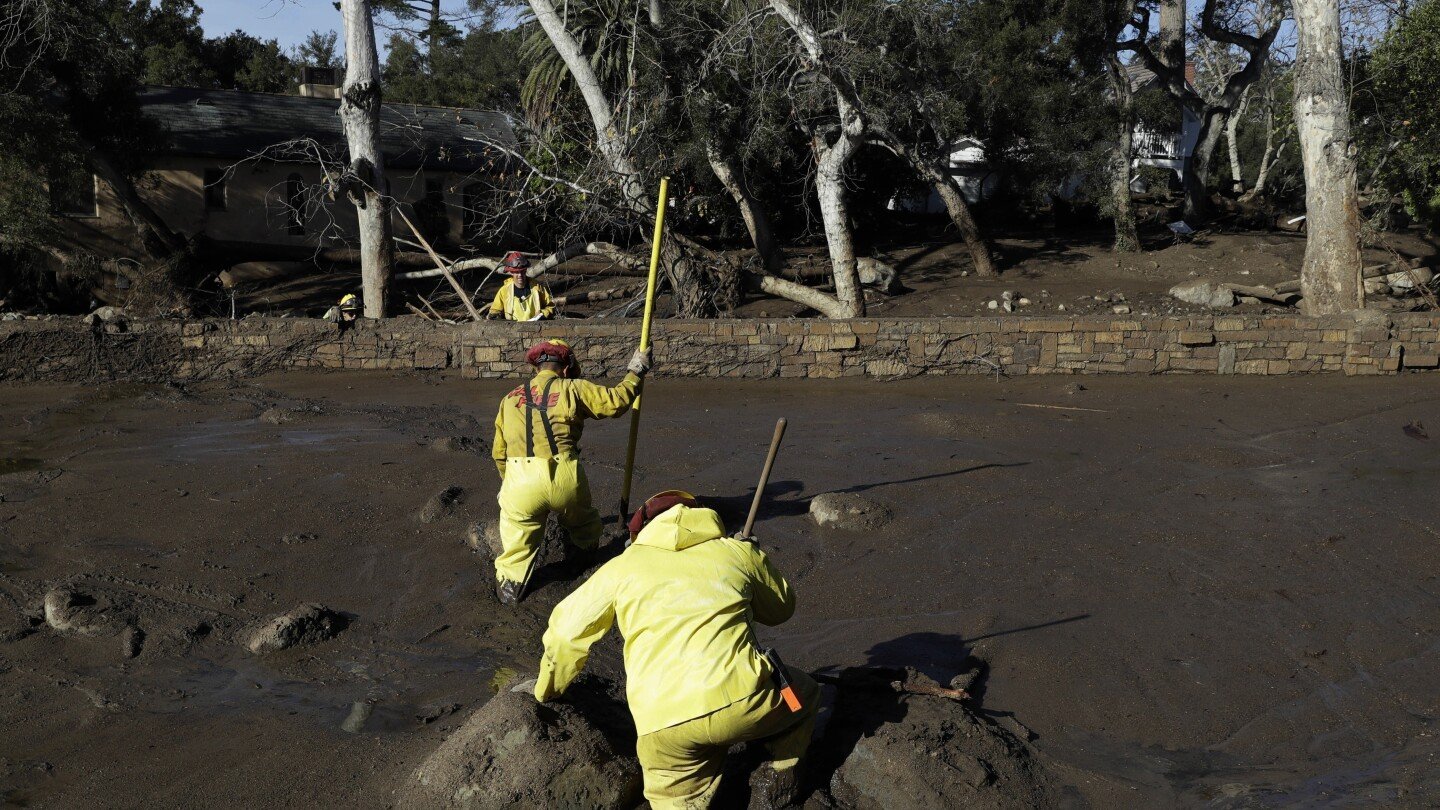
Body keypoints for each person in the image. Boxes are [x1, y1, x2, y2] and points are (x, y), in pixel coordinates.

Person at [533, 491, 819, 809]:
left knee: (675, 798)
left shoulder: (622, 567)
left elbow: (564, 633)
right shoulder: (735, 552)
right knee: (804, 697)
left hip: (661, 722)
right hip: (748, 700)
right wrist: (755, 557)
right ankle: (775, 788)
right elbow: (781, 609)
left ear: (638, 533)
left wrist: (548, 690)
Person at [491, 338, 652, 604]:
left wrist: (508, 482)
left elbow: (499, 452)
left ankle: (510, 594)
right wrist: (636, 371)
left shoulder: (509, 399)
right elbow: (616, 402)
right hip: (565, 473)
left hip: (519, 478)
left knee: (516, 549)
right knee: (584, 524)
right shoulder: (574, 388)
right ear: (566, 368)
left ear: (537, 368)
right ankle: (581, 566)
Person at [487, 251, 555, 321]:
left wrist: (542, 314)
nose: (520, 275)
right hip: (512, 330)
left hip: (536, 328)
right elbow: (494, 311)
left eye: (522, 272)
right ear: (511, 272)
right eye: (516, 272)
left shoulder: (537, 287)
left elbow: (550, 306)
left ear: (525, 270)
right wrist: (495, 316)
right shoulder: (504, 291)